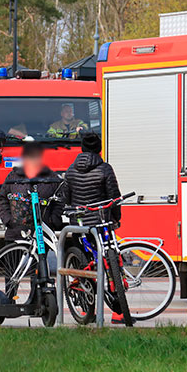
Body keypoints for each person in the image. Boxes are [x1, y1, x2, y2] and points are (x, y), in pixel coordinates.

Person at [62, 132, 127, 323]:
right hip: (100, 225)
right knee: (112, 267)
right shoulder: (105, 169)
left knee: (83, 268)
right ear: (99, 149)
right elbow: (114, 197)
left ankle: (88, 311)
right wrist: (116, 219)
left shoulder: (71, 170)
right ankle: (118, 313)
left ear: (81, 149)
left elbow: (66, 197)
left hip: (79, 226)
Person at [0, 141, 63, 243]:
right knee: (14, 258)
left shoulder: (52, 178)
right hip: (15, 234)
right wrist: (8, 220)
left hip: (42, 234)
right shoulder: (13, 176)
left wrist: (53, 219)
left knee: (40, 258)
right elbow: (2, 199)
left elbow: (59, 200)